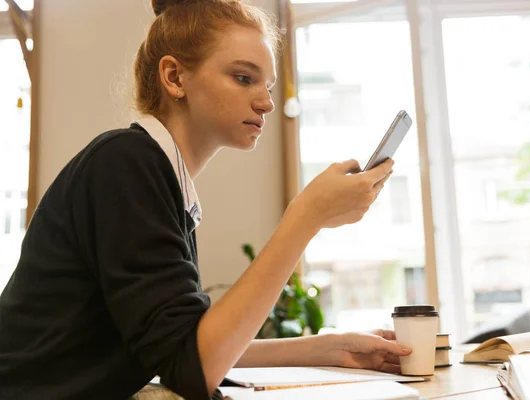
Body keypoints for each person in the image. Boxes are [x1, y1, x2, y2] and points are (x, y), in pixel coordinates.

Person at [0, 0, 411, 399]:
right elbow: (192, 368)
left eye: (267, 85)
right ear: (175, 77)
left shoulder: (157, 175)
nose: (266, 102)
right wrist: (305, 217)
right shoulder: (126, 164)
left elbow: (182, 349)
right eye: (244, 78)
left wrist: (327, 348)